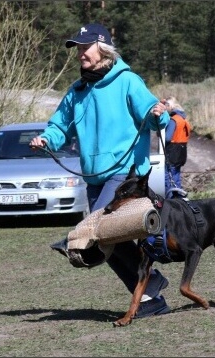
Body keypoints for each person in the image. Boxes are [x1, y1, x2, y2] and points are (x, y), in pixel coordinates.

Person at [29, 23, 171, 318]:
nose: (80, 53)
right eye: (77, 48)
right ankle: (149, 296)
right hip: (94, 176)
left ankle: (149, 284)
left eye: (84, 47)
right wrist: (46, 139)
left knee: (102, 230)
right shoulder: (77, 90)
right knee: (108, 238)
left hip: (126, 173)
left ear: (103, 48)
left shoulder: (128, 81)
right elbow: (59, 126)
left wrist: (160, 114)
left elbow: (154, 114)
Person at [163, 96, 192, 198]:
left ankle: (171, 202)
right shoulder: (183, 119)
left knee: (169, 179)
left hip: (172, 153)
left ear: (169, 105)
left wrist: (160, 133)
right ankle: (179, 201)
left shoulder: (173, 120)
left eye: (165, 105)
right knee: (176, 179)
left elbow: (167, 138)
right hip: (181, 153)